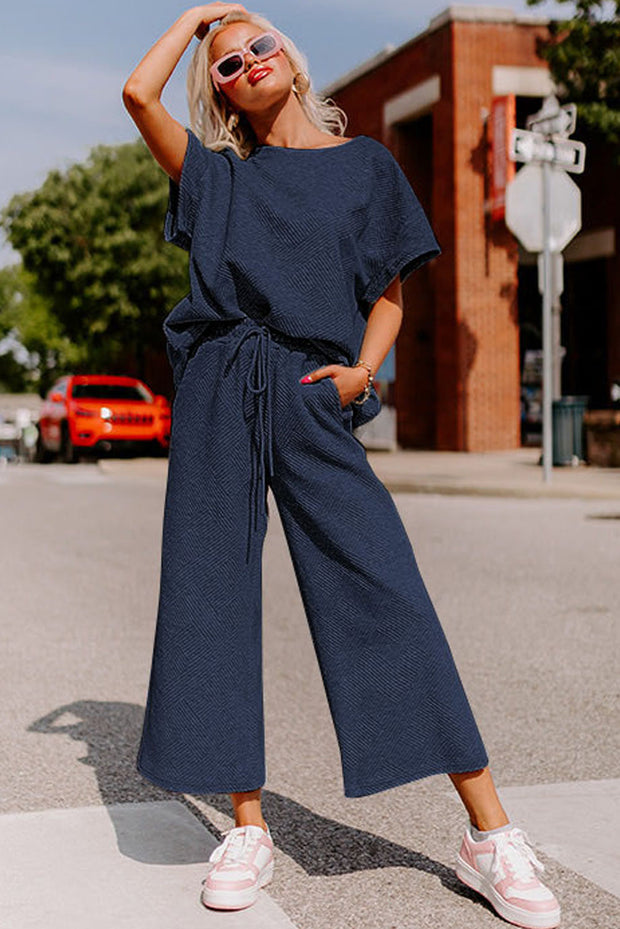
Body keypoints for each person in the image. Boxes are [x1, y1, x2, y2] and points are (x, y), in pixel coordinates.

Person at [122, 6, 561, 927]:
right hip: (220, 384)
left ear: (290, 55)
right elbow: (135, 92)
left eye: (258, 45)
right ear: (221, 92)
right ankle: (246, 823)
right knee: (212, 593)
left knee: (382, 584)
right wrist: (198, 18)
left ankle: (487, 831)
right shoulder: (217, 176)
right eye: (228, 63)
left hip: (315, 385)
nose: (245, 63)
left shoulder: (367, 166)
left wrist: (361, 372)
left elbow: (389, 296)